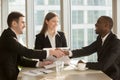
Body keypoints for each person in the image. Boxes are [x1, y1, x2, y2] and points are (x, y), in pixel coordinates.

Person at [0, 11, 64, 80]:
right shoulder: (8, 37)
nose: (25, 25)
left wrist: (40, 64)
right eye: (22, 22)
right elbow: (27, 52)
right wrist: (50, 52)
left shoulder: (10, 36)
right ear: (14, 23)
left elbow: (20, 60)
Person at [64, 16, 120, 80]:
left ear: (106, 25)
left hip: (112, 77)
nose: (95, 24)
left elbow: (103, 65)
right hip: (101, 74)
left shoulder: (116, 42)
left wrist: (85, 64)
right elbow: (87, 50)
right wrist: (68, 53)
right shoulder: (100, 38)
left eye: (98, 22)